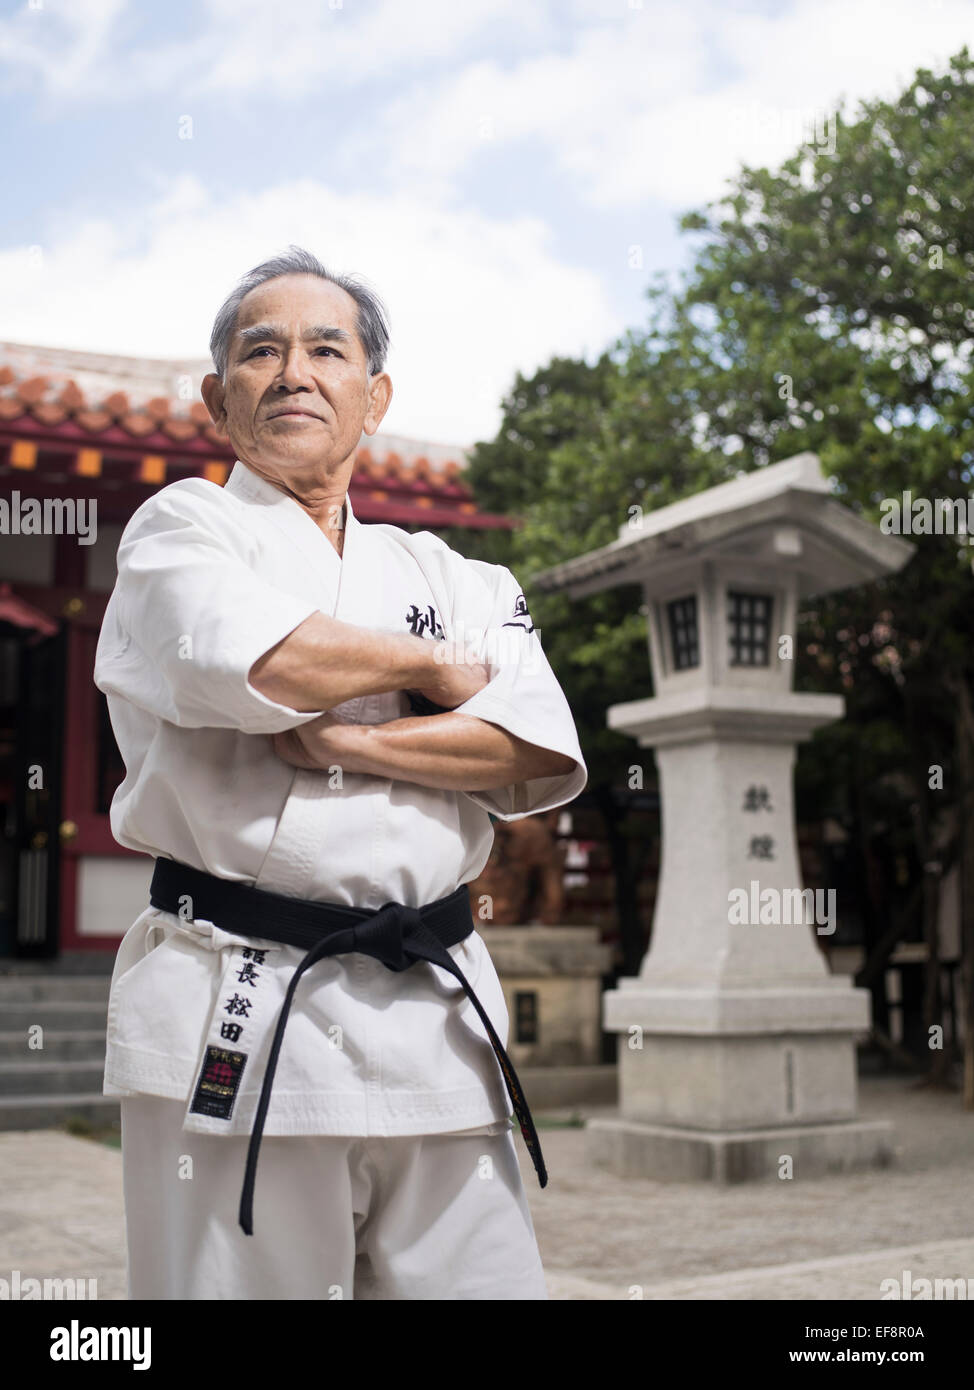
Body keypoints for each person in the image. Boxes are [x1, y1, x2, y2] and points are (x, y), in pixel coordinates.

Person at [94, 245, 587, 1301]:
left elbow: (533, 745)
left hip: (437, 1018)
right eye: (259, 350)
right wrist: (427, 668)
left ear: (374, 396)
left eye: (327, 348)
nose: (293, 371)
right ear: (216, 398)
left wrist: (350, 740)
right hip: (239, 999)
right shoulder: (181, 532)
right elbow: (265, 660)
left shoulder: (455, 572)